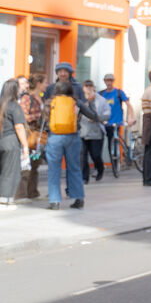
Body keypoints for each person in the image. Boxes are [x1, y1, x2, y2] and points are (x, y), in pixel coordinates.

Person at [42, 79, 100, 209]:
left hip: (54, 137)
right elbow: (94, 116)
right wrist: (91, 102)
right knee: (74, 168)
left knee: (54, 169)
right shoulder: (76, 102)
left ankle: (54, 201)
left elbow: (44, 120)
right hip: (73, 137)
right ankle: (78, 199)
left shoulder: (50, 102)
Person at [0, 80, 30, 209]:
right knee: (10, 171)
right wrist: (25, 146)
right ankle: (5, 200)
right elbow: (19, 127)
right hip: (10, 142)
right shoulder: (14, 106)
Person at [78, 80, 111, 183]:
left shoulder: (101, 100)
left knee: (96, 155)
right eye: (86, 86)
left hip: (96, 132)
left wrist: (97, 118)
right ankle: (84, 177)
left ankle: (100, 168)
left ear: (94, 87)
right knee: (82, 156)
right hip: (82, 131)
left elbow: (107, 114)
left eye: (90, 86)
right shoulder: (80, 100)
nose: (88, 88)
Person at [99, 73, 133, 169]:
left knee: (113, 143)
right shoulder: (101, 94)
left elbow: (128, 105)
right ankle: (101, 165)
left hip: (115, 123)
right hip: (104, 123)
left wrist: (131, 117)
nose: (109, 82)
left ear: (113, 81)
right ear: (104, 81)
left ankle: (115, 164)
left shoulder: (119, 93)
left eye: (111, 80)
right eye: (107, 80)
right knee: (100, 144)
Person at [17, 75, 42, 200]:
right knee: (26, 164)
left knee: (35, 163)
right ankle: (21, 194)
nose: (46, 85)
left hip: (37, 138)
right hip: (29, 136)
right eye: (45, 82)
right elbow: (23, 116)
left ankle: (33, 192)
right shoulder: (27, 98)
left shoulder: (39, 98)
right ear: (38, 83)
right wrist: (39, 116)